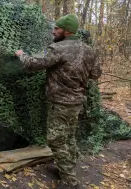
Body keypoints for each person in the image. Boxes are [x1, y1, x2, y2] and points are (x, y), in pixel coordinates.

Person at [14, 14, 102, 189]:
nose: (53, 31)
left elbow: (32, 64)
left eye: (57, 28)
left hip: (61, 102)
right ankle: (67, 167)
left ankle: (70, 181)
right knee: (68, 136)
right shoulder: (89, 50)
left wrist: (21, 54)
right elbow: (96, 74)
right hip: (77, 102)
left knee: (55, 140)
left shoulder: (56, 49)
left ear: (67, 31)